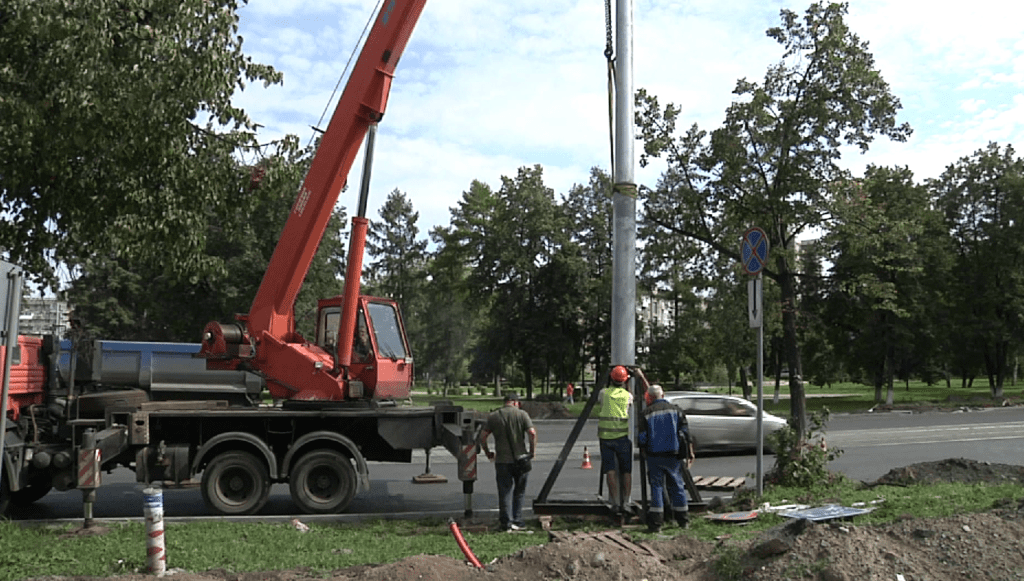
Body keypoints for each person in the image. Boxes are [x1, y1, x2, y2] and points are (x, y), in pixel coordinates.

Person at [638, 383, 694, 532]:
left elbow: (643, 437)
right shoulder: (677, 411)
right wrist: (690, 452)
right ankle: (683, 520)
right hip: (673, 454)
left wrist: (643, 451)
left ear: (649, 397)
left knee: (656, 487)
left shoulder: (646, 413)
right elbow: (685, 433)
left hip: (654, 455)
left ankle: (656, 523)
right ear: (663, 395)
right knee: (677, 485)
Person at [479, 392, 537, 532]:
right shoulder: (522, 415)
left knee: (505, 492)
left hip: (502, 460)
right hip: (521, 459)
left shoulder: (494, 416)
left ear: (505, 401)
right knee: (519, 492)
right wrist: (531, 452)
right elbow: (532, 433)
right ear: (516, 402)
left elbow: (483, 436)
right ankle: (518, 521)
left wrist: (488, 452)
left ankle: (506, 523)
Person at [598, 365, 635, 519]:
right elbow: (630, 401)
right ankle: (625, 502)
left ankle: (614, 501)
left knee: (610, 470)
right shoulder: (627, 396)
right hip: (622, 438)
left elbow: (601, 400)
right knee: (626, 471)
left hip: (606, 438)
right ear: (625, 380)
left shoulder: (603, 393)